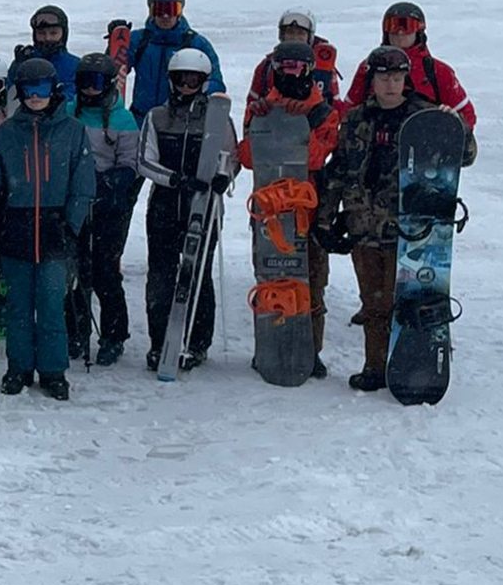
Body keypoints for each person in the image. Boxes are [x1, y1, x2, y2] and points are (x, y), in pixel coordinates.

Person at [317, 45, 478, 391]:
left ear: (406, 79)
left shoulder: (425, 117)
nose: (390, 84)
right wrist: (325, 219)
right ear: (372, 81)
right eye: (384, 78)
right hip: (363, 226)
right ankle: (376, 367)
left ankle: (411, 366)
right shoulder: (355, 120)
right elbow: (339, 170)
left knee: (405, 304)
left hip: (409, 231)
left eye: (396, 77)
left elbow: (464, 157)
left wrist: (455, 127)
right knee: (373, 305)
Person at [0, 58, 96, 400]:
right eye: (28, 90)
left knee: (51, 305)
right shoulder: (7, 133)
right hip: (17, 228)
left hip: (54, 229)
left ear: (54, 90)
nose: (35, 97)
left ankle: (53, 370)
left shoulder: (72, 131)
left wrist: (71, 225)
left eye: (42, 89)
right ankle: (19, 367)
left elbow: (83, 182)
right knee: (18, 306)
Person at [238, 40, 341, 375]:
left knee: (312, 282)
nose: (290, 74)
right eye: (284, 68)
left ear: (309, 70)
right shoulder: (262, 109)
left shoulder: (323, 112)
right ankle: (269, 346)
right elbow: (248, 157)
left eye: (296, 67)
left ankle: (311, 351)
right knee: (270, 279)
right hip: (269, 210)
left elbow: (316, 157)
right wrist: (267, 122)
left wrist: (295, 127)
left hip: (307, 209)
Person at [135, 47, 237, 371]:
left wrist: (223, 177)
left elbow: (230, 156)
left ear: (204, 82)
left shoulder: (217, 118)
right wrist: (175, 180)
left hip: (204, 206)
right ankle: (160, 342)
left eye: (193, 80)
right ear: (171, 80)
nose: (186, 86)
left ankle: (196, 342)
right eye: (181, 79)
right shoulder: (157, 116)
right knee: (161, 275)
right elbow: (144, 160)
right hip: (165, 205)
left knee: (198, 274)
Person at [69, 51, 142, 367]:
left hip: (107, 206)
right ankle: (75, 330)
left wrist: (110, 184)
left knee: (105, 272)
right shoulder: (69, 113)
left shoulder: (122, 120)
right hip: (75, 203)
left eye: (97, 83)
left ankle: (113, 336)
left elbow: (130, 163)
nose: (90, 89)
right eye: (85, 82)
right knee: (74, 270)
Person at [341, 2, 475, 129]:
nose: (400, 32)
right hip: (376, 142)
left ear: (419, 30)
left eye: (407, 26)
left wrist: (451, 126)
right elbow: (347, 113)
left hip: (424, 140)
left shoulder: (438, 71)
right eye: (393, 25)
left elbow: (466, 116)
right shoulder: (369, 67)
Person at [126, 0, 223, 122]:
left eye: (171, 9)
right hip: (141, 119)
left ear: (180, 11)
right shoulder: (139, 40)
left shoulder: (196, 44)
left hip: (181, 123)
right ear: (151, 11)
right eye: (159, 9)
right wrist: (117, 41)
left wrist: (194, 92)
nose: (165, 16)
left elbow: (216, 82)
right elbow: (114, 70)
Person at [248, 10, 340, 104]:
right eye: (290, 32)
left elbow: (336, 106)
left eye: (301, 33)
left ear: (309, 37)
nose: (295, 37)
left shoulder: (324, 68)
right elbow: (251, 104)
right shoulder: (266, 67)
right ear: (282, 35)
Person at [15, 5, 78, 95]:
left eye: (53, 33)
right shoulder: (23, 62)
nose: (47, 38)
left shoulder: (75, 66)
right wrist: (17, 67)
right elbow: (11, 93)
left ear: (64, 34)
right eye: (41, 33)